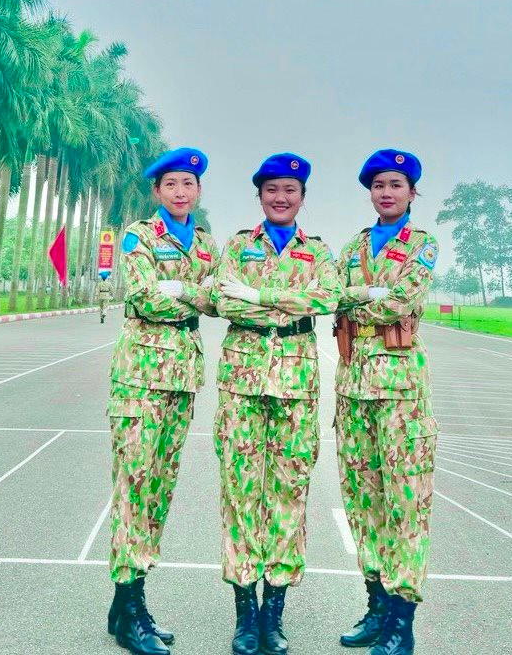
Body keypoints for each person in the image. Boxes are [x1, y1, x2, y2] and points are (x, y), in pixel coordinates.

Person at [211, 153, 342, 655]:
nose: (281, 197)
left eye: (290, 189)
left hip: (296, 386)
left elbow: (328, 297)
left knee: (289, 494)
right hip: (243, 385)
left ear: (302, 197)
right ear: (260, 197)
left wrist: (258, 296)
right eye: (272, 190)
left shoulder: (319, 252)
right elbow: (224, 300)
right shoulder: (238, 246)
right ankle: (245, 614)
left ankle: (275, 611)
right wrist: (283, 298)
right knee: (241, 493)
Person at [106, 147, 219, 655]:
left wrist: (184, 288)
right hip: (141, 380)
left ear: (198, 191)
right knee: (134, 490)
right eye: (171, 184)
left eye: (188, 184)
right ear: (157, 192)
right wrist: (191, 291)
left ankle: (125, 603)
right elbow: (143, 296)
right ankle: (131, 608)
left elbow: (221, 297)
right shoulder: (139, 234)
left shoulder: (208, 244)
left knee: (158, 492)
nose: (180, 192)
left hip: (181, 379)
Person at [332, 149, 439, 655]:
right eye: (378, 185)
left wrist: (364, 294)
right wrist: (369, 292)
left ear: (412, 192)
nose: (387, 192)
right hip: (353, 387)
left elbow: (405, 298)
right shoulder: (352, 246)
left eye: (396, 184)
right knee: (362, 498)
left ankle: (402, 619)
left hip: (400, 391)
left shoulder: (423, 244)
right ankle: (375, 604)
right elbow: (332, 294)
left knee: (406, 502)